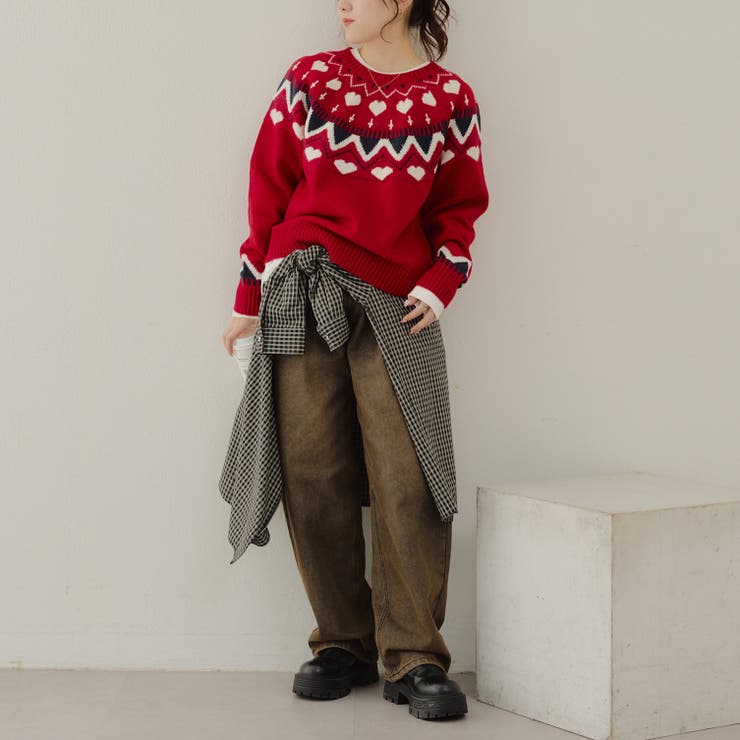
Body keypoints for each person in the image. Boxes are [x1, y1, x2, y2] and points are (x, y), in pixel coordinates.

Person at [219, 0, 490, 722]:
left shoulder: (449, 100)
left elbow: (459, 205)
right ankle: (341, 640)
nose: (340, 3)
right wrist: (249, 297)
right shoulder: (310, 81)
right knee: (313, 471)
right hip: (301, 289)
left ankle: (414, 654)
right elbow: (268, 189)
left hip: (400, 304)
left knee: (408, 473)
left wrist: (442, 280)